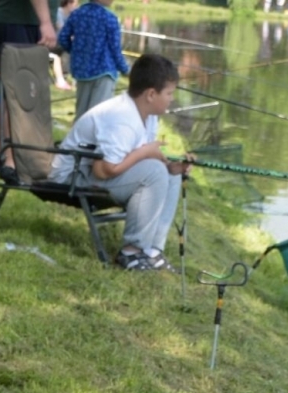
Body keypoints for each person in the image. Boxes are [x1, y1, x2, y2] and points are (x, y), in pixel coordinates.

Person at [49, 53, 189, 271]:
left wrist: (172, 167)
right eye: (169, 93)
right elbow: (103, 170)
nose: (172, 98)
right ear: (151, 94)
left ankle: (151, 250)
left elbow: (135, 156)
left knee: (168, 173)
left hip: (94, 171)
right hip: (72, 176)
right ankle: (131, 253)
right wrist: (144, 154)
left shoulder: (148, 115)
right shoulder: (122, 119)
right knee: (154, 171)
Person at [0, 0, 57, 183]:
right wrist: (46, 22)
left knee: (12, 90)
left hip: (11, 18)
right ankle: (11, 161)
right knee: (21, 91)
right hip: (18, 19)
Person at [56, 0, 128, 117]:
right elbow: (115, 50)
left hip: (81, 71)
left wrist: (75, 52)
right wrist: (125, 70)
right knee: (99, 116)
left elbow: (63, 38)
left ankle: (78, 135)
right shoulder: (110, 18)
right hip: (104, 73)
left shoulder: (77, 14)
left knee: (82, 114)